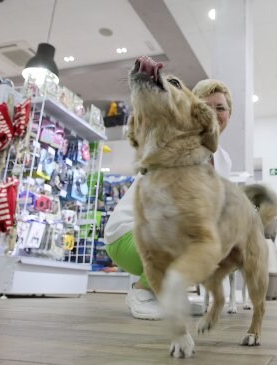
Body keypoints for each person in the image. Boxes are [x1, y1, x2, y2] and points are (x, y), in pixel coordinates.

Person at [103, 79, 233, 320]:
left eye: (220, 107)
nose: (214, 113)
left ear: (229, 114)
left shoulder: (222, 159)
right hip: (128, 235)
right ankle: (142, 290)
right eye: (206, 106)